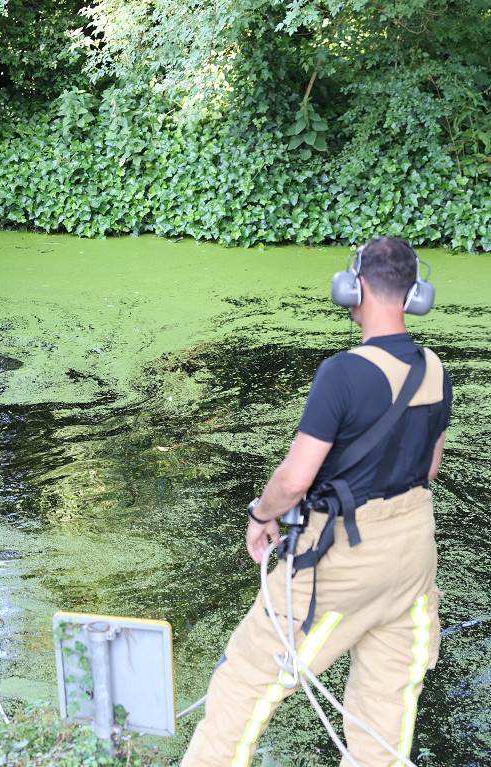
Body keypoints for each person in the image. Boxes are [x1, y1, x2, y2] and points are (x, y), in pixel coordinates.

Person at [183, 236, 452, 766]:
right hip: (415, 558)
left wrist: (261, 517)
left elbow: (294, 478)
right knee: (385, 710)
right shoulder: (435, 369)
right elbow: (431, 469)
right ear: (415, 294)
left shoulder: (342, 372)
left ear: (353, 288)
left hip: (343, 561)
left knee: (245, 683)